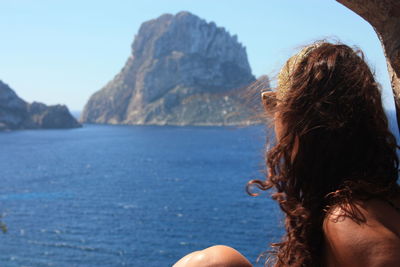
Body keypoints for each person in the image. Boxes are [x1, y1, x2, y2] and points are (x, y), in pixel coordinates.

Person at [173, 42, 400, 267]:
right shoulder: (368, 202)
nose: (273, 120)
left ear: (304, 121)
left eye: (275, 104)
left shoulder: (348, 220)